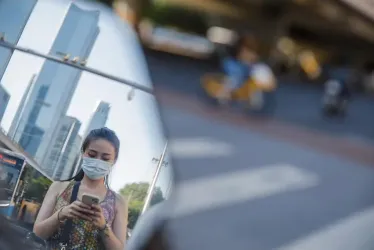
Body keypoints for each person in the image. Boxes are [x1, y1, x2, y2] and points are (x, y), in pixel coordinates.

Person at [33, 127, 128, 250]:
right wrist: (61, 214)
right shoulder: (59, 188)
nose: (97, 161)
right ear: (83, 153)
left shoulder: (118, 202)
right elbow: (37, 233)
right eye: (92, 155)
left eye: (105, 158)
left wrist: (103, 226)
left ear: (114, 160)